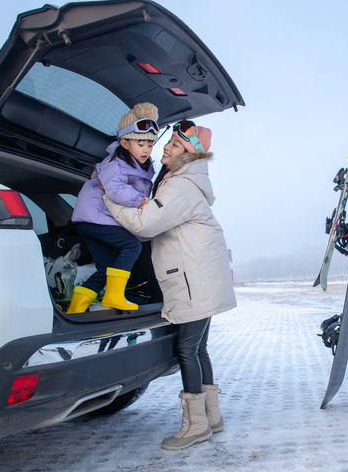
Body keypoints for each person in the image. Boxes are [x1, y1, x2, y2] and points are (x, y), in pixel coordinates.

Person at [104, 120, 236, 450]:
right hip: (201, 279)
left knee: (186, 350)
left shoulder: (180, 187)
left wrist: (108, 199)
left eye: (175, 144)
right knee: (198, 349)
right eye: (169, 142)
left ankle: (196, 427)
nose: (166, 147)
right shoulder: (187, 182)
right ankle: (212, 418)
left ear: (189, 154)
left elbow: (146, 225)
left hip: (194, 281)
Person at [67, 103, 157, 314]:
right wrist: (141, 201)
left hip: (91, 221)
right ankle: (114, 296)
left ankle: (75, 311)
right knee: (132, 246)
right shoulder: (115, 163)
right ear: (124, 143)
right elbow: (116, 190)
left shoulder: (135, 164)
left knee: (105, 269)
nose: (146, 149)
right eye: (140, 144)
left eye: (150, 144)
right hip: (96, 219)